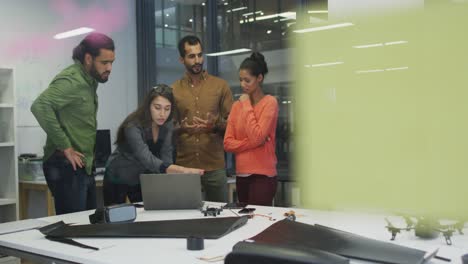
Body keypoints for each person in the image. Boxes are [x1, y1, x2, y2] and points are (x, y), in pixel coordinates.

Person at [31, 32, 115, 214]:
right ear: (88, 58)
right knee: (72, 228)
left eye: (111, 63)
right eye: (104, 63)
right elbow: (40, 106)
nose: (109, 68)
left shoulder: (90, 81)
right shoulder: (72, 80)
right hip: (65, 165)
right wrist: (66, 147)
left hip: (83, 164)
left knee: (88, 224)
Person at [103, 85, 204, 206]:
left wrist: (173, 178)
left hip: (141, 177)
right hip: (118, 175)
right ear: (148, 106)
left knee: (146, 217)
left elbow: (166, 156)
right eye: (157, 108)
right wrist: (181, 170)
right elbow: (146, 157)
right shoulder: (132, 125)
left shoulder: (168, 125)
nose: (162, 114)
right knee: (115, 218)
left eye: (167, 109)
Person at [172, 35, 233, 202]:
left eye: (199, 55)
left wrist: (213, 126)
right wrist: (181, 128)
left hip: (214, 166)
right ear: (181, 59)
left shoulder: (220, 86)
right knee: (184, 217)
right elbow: (168, 127)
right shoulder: (173, 90)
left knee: (220, 216)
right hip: (184, 166)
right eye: (191, 56)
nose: (197, 60)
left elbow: (233, 125)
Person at [223, 52, 279, 206]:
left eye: (247, 80)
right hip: (241, 174)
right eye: (240, 80)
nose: (243, 85)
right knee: (245, 223)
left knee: (260, 222)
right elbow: (227, 143)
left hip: (263, 176)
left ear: (259, 78)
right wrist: (255, 143)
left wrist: (246, 104)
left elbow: (257, 136)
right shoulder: (236, 106)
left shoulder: (270, 103)